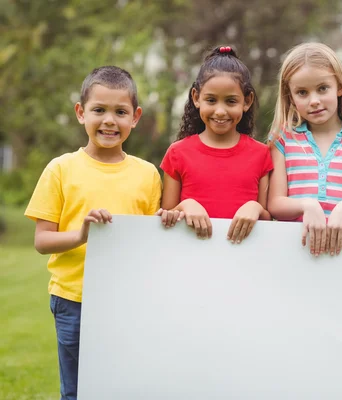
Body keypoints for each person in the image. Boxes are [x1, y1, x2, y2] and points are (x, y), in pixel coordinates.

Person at [24, 66, 162, 400]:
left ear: (136, 117)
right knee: (77, 390)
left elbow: (150, 244)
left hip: (127, 300)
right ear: (80, 112)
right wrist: (82, 234)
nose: (109, 121)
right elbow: (42, 241)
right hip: (74, 299)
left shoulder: (147, 174)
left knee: (123, 388)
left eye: (120, 112)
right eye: (99, 110)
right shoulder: (60, 169)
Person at [267, 42, 342, 256]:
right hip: (292, 252)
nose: (314, 101)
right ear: (290, 97)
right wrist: (307, 205)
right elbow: (275, 203)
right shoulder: (283, 140)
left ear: (340, 86)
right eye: (302, 92)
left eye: (322, 89)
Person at [159, 46, 272, 243]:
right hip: (191, 260)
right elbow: (166, 219)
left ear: (247, 101)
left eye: (230, 101)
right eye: (211, 100)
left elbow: (268, 222)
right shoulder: (177, 153)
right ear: (196, 98)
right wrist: (186, 205)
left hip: (245, 260)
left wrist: (255, 208)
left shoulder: (262, 154)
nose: (220, 111)